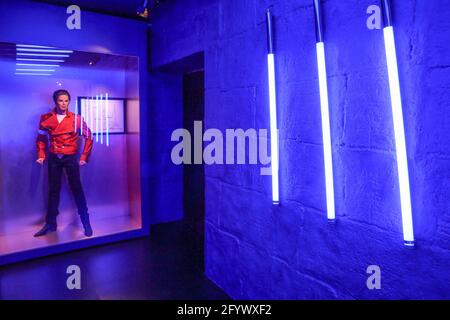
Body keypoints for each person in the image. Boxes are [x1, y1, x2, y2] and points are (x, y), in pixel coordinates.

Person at [34, 89, 94, 237]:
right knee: (53, 191)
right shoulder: (45, 118)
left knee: (77, 189)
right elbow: (41, 139)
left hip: (70, 157)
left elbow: (89, 136)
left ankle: (86, 222)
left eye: (66, 100)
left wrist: (84, 156)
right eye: (61, 100)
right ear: (55, 101)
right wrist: (41, 155)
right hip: (54, 157)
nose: (64, 103)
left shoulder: (76, 119)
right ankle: (50, 224)